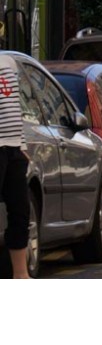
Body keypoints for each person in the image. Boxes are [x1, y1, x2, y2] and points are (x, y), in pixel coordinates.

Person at [0, 56, 31, 279]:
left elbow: (14, 106)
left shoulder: (8, 62)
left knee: (20, 211)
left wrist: (21, 144)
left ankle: (20, 275)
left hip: (13, 148)